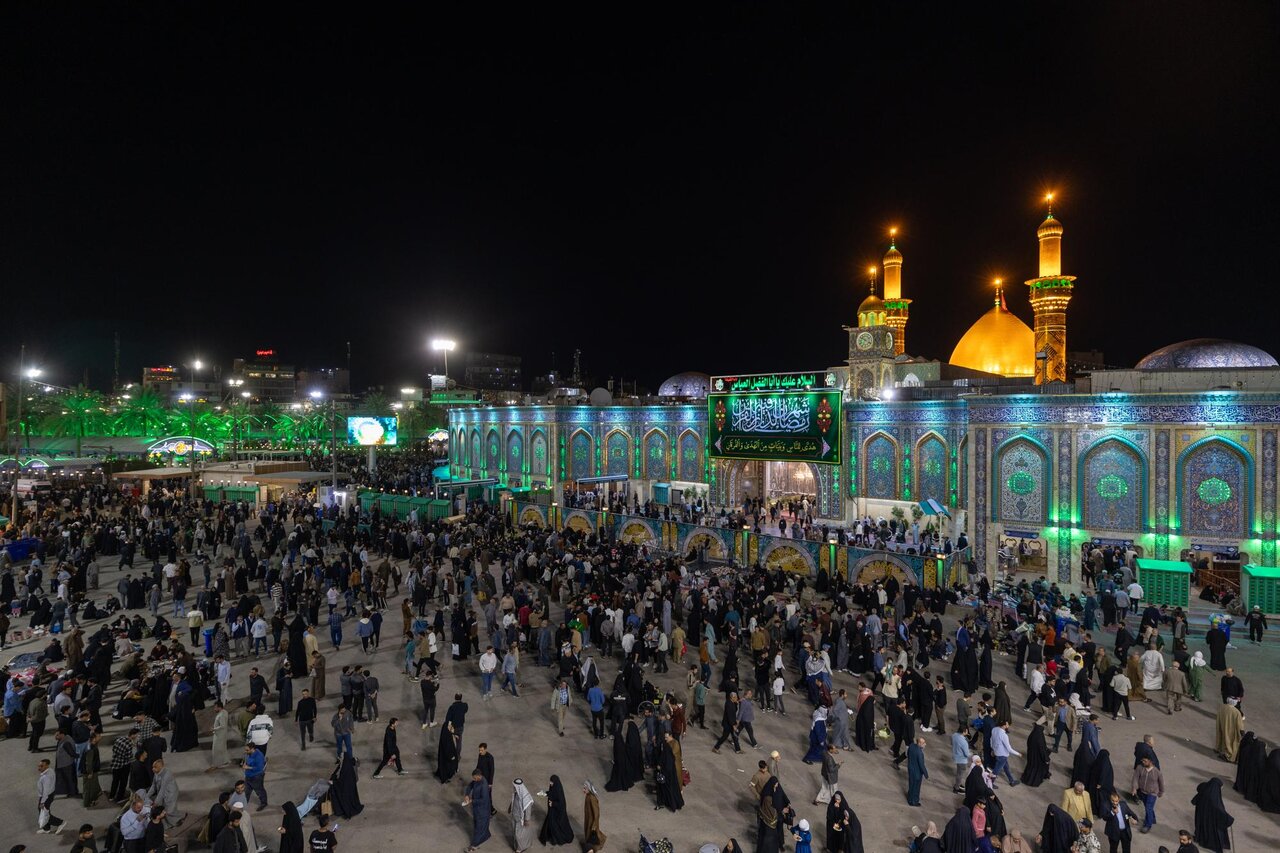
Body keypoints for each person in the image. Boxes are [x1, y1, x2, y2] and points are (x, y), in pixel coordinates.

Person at [1191, 777, 1233, 853]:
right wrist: (1229, 818)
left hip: (1201, 817)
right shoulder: (1214, 799)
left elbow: (1194, 801)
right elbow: (1220, 811)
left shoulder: (1204, 791)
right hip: (1211, 820)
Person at [1131, 755, 1164, 832]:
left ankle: (1147, 825)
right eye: (1142, 760)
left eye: (1145, 761)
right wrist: (1134, 788)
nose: (1143, 762)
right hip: (1142, 791)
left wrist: (1161, 792)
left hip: (1152, 793)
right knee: (1148, 807)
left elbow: (1161, 783)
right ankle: (1152, 819)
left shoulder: (1157, 772)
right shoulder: (1139, 768)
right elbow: (1135, 778)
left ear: (1150, 761)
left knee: (1148, 808)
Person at [538, 775, 574, 846]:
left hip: (557, 813)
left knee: (555, 826)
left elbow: (562, 804)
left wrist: (553, 804)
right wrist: (544, 794)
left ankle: (555, 839)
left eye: (552, 782)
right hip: (552, 811)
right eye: (550, 781)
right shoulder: (553, 787)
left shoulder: (559, 791)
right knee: (550, 824)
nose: (550, 783)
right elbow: (551, 793)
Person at [463, 768, 492, 851]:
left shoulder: (483, 785)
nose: (474, 779)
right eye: (473, 778)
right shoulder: (476, 780)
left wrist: (472, 800)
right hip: (476, 808)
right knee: (477, 825)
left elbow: (484, 800)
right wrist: (467, 795)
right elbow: (470, 785)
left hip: (483, 810)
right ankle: (486, 835)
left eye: (475, 778)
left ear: (479, 776)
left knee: (479, 827)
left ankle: (474, 845)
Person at [655, 733, 684, 812]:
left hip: (670, 769)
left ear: (671, 736)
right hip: (669, 769)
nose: (665, 739)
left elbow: (669, 756)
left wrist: (661, 765)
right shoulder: (667, 745)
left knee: (670, 787)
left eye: (666, 737)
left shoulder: (674, 744)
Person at [328, 754, 363, 819]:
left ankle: (339, 810)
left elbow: (342, 783)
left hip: (345, 791)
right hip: (348, 788)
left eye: (341, 757)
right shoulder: (346, 764)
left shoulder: (345, 768)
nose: (339, 758)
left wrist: (333, 783)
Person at [36, 758, 65, 834]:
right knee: (43, 811)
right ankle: (46, 828)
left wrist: (42, 802)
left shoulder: (46, 777)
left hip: (46, 797)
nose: (39, 768)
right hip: (50, 794)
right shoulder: (50, 770)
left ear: (47, 766)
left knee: (44, 813)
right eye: (39, 766)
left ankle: (60, 823)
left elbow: (45, 791)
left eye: (41, 766)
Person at [1021, 716, 1052, 787]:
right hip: (1038, 757)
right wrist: (1046, 759)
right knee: (1037, 769)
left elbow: (1028, 743)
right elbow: (1042, 750)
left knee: (1031, 767)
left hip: (1031, 755)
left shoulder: (1032, 736)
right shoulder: (1040, 739)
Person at [509, 778, 535, 853]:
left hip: (521, 819)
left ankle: (520, 848)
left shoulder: (525, 797)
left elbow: (528, 807)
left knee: (519, 835)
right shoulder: (516, 793)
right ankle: (517, 845)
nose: (514, 787)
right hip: (514, 816)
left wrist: (527, 819)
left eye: (515, 786)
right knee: (515, 832)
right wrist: (510, 808)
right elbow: (513, 801)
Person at [581, 780, 606, 853]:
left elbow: (596, 812)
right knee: (588, 832)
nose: (583, 790)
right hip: (589, 818)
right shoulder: (588, 795)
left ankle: (593, 847)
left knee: (592, 834)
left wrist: (594, 824)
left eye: (585, 788)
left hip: (592, 820)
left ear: (589, 789)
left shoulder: (592, 798)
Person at [243, 744, 268, 811]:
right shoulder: (249, 754)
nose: (245, 751)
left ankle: (264, 803)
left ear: (252, 749)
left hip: (256, 777)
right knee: (246, 791)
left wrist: (248, 767)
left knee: (259, 791)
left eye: (247, 750)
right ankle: (244, 804)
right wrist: (245, 764)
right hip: (248, 776)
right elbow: (247, 761)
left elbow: (259, 768)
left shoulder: (258, 756)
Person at [435, 720, 461, 784]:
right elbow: (447, 747)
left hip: (445, 755)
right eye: (450, 726)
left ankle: (441, 774)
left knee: (444, 766)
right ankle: (445, 778)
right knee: (448, 767)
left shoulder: (446, 733)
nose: (451, 727)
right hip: (448, 756)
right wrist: (451, 756)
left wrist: (453, 734)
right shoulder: (446, 737)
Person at [906, 736, 927, 806]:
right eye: (924, 743)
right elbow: (921, 765)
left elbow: (908, 754)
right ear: (919, 744)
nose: (925, 744)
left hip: (911, 769)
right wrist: (926, 774)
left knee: (911, 785)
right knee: (916, 788)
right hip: (917, 773)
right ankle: (913, 801)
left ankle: (909, 797)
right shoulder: (919, 753)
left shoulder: (911, 746)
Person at [210, 701, 230, 768]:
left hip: (219, 735)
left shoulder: (221, 715)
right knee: (223, 748)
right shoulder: (225, 712)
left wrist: (214, 729)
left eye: (215, 707)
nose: (214, 709)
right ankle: (225, 761)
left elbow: (222, 725)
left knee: (218, 749)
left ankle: (221, 763)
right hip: (222, 734)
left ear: (219, 707)